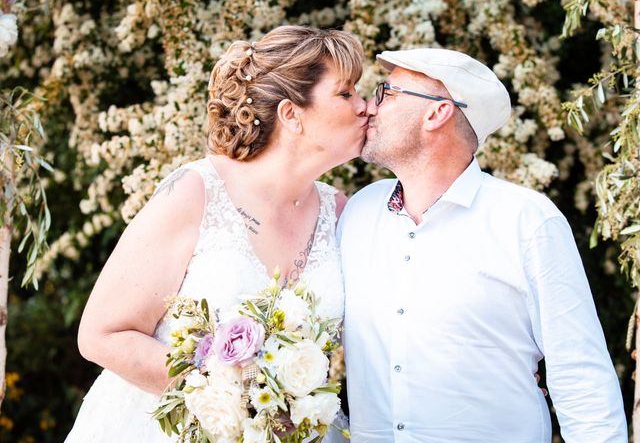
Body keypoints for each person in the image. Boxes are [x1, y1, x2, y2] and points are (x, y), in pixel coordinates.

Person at [65, 25, 368, 442]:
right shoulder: (195, 193)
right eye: (346, 93)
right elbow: (102, 334)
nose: (365, 107)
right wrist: (235, 397)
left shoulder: (341, 212)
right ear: (291, 115)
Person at [337, 48, 627, 442]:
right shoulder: (358, 212)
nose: (370, 107)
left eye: (386, 92)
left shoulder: (526, 220)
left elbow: (580, 374)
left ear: (437, 113)